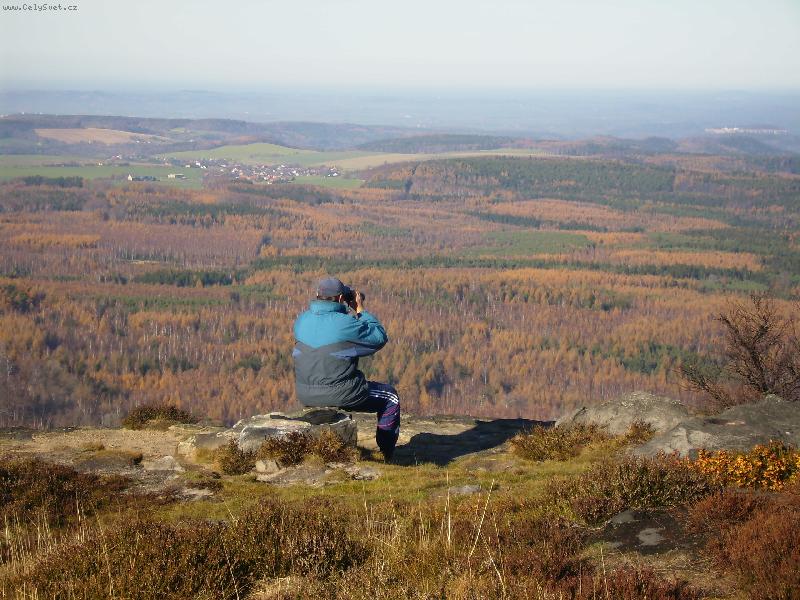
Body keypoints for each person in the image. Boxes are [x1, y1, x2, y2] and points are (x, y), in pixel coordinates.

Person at [292, 276, 400, 460]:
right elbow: (378, 338)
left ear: (318, 295)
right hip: (341, 393)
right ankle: (386, 453)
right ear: (342, 299)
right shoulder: (345, 324)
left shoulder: (301, 320)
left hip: (305, 394)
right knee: (390, 397)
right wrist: (360, 310)